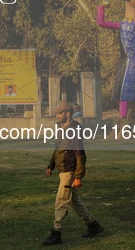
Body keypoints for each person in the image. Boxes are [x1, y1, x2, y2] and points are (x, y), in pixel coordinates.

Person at [43, 100, 103, 245]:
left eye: (59, 113)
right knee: (75, 202)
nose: (57, 115)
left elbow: (79, 154)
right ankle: (94, 226)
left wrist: (78, 176)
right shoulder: (62, 128)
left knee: (61, 202)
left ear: (68, 114)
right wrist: (50, 165)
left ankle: (56, 234)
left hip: (69, 171)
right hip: (63, 170)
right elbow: (57, 149)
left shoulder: (74, 130)